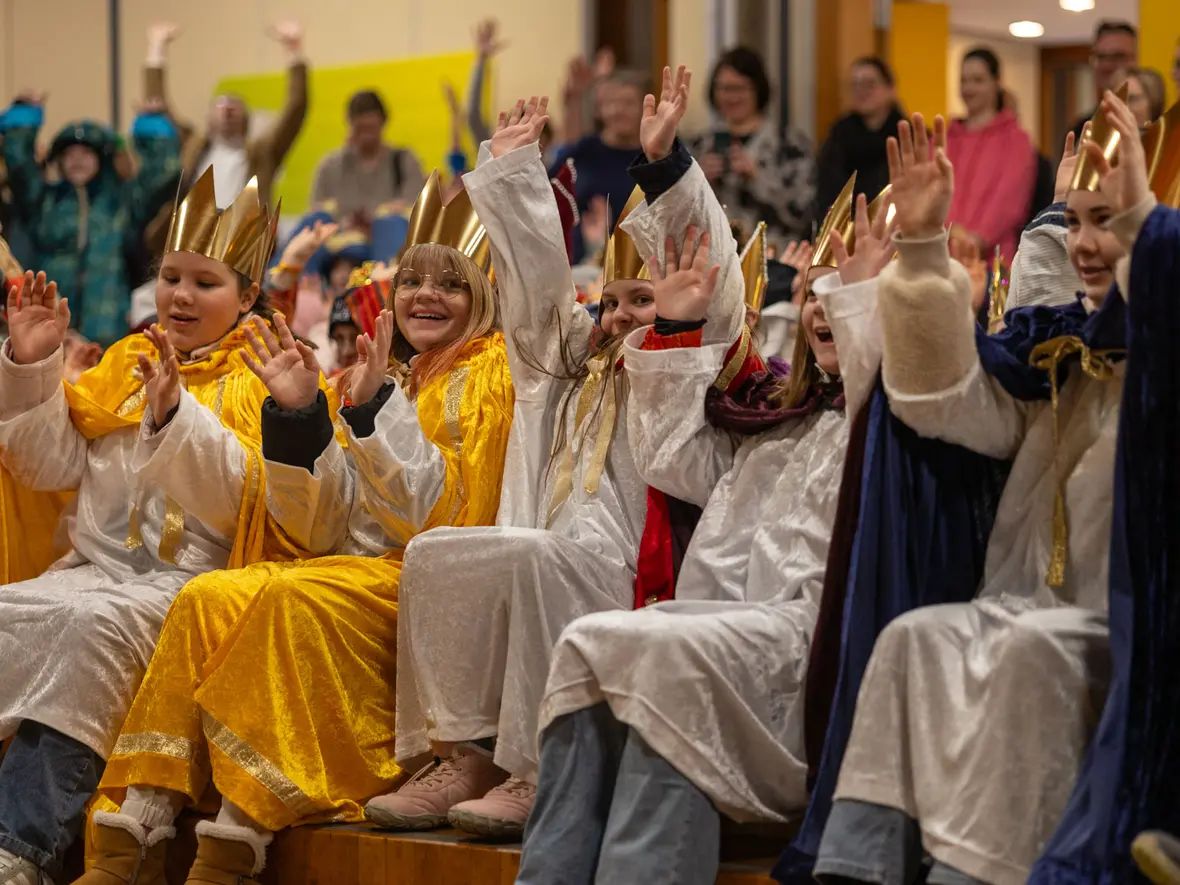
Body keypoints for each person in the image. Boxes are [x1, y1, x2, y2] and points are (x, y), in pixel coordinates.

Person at [84, 173, 515, 885]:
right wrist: (299, 419)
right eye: (412, 281)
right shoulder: (373, 373)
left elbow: (434, 515)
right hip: (346, 569)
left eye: (452, 283)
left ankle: (236, 839)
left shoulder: (493, 375)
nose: (426, 296)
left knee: (286, 603)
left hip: (429, 587)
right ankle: (137, 830)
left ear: (487, 295)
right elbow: (320, 526)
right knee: (207, 597)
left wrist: (376, 410)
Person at [362, 68, 746, 838]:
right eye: (610, 299)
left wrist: (667, 166)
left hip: (637, 574)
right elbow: (538, 288)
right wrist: (512, 175)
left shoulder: (687, 361)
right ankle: (465, 754)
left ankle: (537, 765)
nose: (617, 316)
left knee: (536, 557)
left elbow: (712, 279)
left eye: (642, 300)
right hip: (555, 551)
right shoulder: (568, 362)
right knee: (438, 551)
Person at [810, 96, 1143, 885]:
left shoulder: (1160, 358)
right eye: (1075, 220)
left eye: (1109, 221)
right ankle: (859, 871)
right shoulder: (1059, 356)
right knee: (912, 638)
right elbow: (941, 405)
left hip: (1121, 622)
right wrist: (923, 251)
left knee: (1028, 650)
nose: (1084, 243)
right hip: (1026, 603)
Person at [0, 169, 309, 885]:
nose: (179, 295)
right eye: (171, 277)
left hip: (185, 592)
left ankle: (21, 848)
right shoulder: (124, 361)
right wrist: (35, 363)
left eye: (204, 283)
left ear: (248, 297)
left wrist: (176, 417)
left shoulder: (273, 379)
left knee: (94, 633)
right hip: (89, 576)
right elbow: (49, 467)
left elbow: (252, 507)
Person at [0, 97, 181, 345]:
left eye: (86, 153)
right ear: (59, 160)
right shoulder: (43, 201)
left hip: (109, 328)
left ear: (101, 159)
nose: (77, 160)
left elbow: (164, 172)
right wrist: (23, 116)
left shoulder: (123, 202)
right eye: (69, 154)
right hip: (52, 324)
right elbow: (19, 166)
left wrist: (152, 124)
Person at [143, 20, 308, 219]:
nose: (229, 108)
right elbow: (158, 107)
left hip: (241, 240)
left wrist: (293, 49)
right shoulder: (192, 146)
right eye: (221, 104)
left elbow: (296, 108)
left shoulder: (263, 153)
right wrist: (156, 48)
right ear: (209, 117)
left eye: (236, 105)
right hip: (193, 237)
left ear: (246, 120)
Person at [689, 46, 815, 250]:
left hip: (774, 259)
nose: (731, 97)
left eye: (740, 88)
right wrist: (697, 180)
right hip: (712, 259)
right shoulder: (699, 145)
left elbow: (803, 214)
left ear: (758, 90)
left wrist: (757, 177)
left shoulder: (789, 145)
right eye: (724, 88)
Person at [945, 47, 1036, 264]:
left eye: (978, 80)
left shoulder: (1016, 138)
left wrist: (976, 239)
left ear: (996, 82)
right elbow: (934, 190)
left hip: (993, 258)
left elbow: (1010, 198)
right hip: (944, 254)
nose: (968, 88)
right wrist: (950, 233)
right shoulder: (945, 138)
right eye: (963, 80)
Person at [551, 70, 647, 263]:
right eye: (611, 103)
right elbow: (550, 192)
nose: (619, 110)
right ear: (600, 109)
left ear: (645, 108)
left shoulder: (655, 157)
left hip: (640, 265)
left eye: (628, 103)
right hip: (583, 267)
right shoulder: (584, 150)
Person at [310, 90, 427, 222]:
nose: (366, 138)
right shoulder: (330, 168)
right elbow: (317, 214)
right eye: (360, 129)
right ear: (350, 125)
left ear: (383, 124)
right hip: (342, 239)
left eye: (371, 129)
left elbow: (413, 212)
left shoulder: (405, 162)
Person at [815, 57, 903, 221]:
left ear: (890, 89)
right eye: (855, 85)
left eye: (869, 84)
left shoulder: (906, 136)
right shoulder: (839, 136)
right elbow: (825, 193)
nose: (861, 91)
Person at [1070, 21, 1138, 141]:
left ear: (1136, 60)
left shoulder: (1155, 125)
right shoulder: (1080, 130)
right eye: (1101, 57)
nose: (1107, 65)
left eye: (1118, 56)